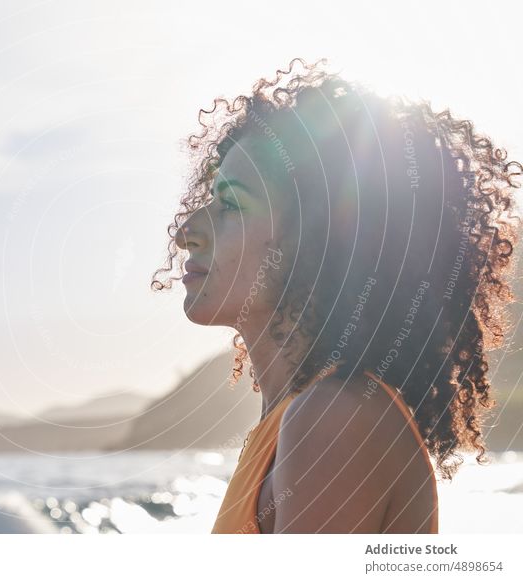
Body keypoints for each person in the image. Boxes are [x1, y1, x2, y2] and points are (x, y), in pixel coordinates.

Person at [151, 58, 521, 533]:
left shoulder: (334, 417)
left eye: (231, 204)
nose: (186, 233)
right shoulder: (302, 420)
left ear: (322, 241)